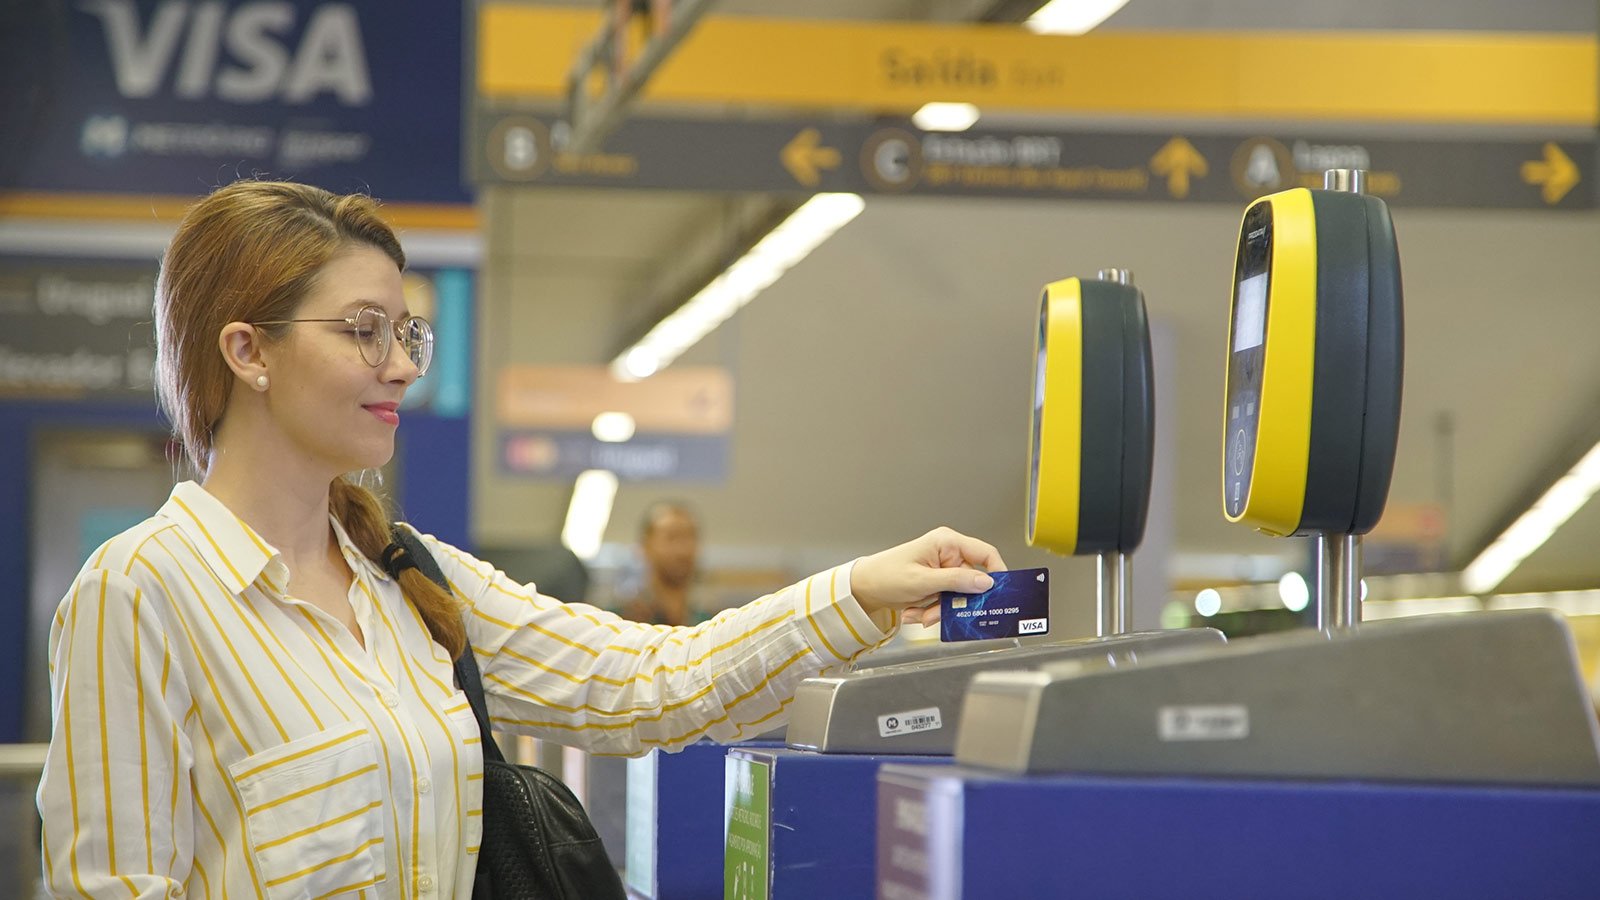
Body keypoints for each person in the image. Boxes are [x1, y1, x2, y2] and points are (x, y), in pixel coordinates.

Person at [36, 179, 1004, 899]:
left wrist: (863, 590)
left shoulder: (406, 579)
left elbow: (649, 683)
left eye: (407, 335)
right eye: (363, 331)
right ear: (247, 350)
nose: (400, 367)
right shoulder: (141, 594)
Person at [619, 500, 705, 626]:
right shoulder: (622, 620)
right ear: (645, 546)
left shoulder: (709, 623)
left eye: (689, 537)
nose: (682, 549)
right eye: (672, 537)